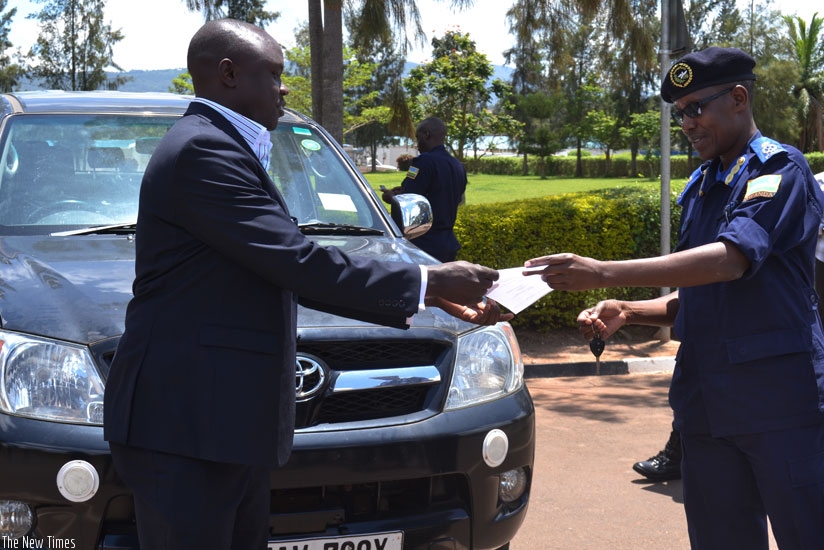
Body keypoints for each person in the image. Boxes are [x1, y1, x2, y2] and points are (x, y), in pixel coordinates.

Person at [103, 19, 511, 550]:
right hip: (188, 427)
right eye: (273, 73)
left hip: (219, 423)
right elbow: (298, 262)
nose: (284, 86)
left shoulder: (222, 145)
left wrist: (426, 289)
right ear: (228, 74)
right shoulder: (204, 152)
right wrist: (429, 281)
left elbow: (283, 266)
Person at [524, 46, 824, 549]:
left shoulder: (779, 172)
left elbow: (730, 260)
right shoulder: (704, 184)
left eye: (696, 108)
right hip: (706, 408)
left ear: (739, 97)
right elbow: (704, 298)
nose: (686, 123)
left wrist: (601, 273)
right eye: (679, 113)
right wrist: (628, 310)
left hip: (778, 404)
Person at [382, 117, 467, 262]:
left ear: (427, 134)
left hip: (423, 245)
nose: (417, 143)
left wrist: (391, 196)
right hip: (447, 243)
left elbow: (407, 200)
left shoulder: (423, 162)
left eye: (418, 137)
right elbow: (452, 197)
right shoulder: (457, 165)